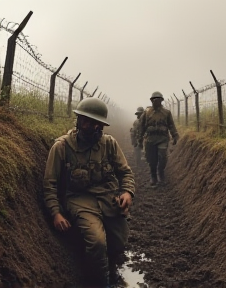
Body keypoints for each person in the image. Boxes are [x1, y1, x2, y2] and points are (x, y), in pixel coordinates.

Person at [43, 97, 135, 287]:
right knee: (97, 242)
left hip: (108, 199)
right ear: (78, 121)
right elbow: (50, 184)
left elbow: (125, 172)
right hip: (79, 201)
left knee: (118, 243)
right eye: (85, 121)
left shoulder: (109, 144)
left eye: (94, 123)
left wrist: (127, 192)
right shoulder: (61, 147)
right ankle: (102, 282)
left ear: (101, 126)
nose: (88, 126)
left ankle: (109, 264)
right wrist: (56, 213)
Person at [138, 91, 179, 186]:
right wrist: (139, 139)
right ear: (151, 101)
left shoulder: (166, 113)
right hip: (150, 139)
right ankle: (153, 176)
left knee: (162, 157)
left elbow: (171, 125)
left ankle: (161, 174)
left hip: (162, 139)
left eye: (158, 99)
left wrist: (175, 136)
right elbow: (142, 126)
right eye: (154, 99)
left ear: (161, 100)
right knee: (152, 160)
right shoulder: (147, 112)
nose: (156, 101)